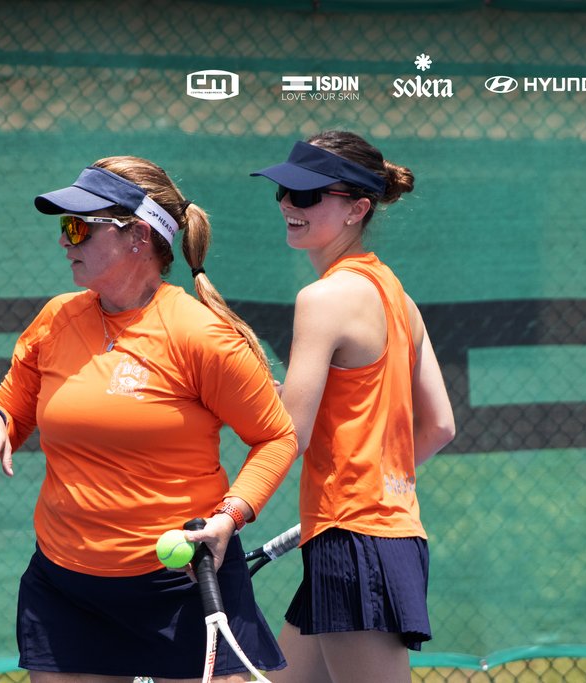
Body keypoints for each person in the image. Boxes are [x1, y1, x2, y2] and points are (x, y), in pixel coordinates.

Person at [0, 156, 297, 683]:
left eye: (79, 228)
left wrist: (229, 517)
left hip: (181, 585)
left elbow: (276, 437)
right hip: (66, 588)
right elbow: (14, 403)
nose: (65, 241)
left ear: (138, 236)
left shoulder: (201, 335)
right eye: (64, 228)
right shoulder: (57, 318)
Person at [250, 131, 456, 683]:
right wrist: (367, 483)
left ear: (357, 208)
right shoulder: (398, 296)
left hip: (356, 544)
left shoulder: (324, 298)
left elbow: (287, 430)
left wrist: (229, 514)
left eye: (309, 195)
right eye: (284, 193)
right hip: (376, 532)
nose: (290, 206)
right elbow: (439, 426)